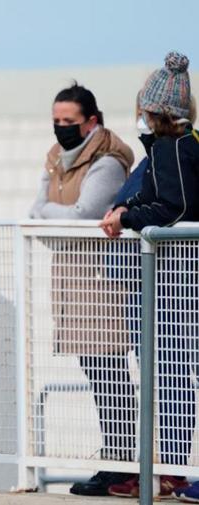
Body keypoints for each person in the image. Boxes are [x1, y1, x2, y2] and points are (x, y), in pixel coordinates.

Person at [29, 82, 138, 496]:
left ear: (92, 121)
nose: (61, 130)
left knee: (109, 374)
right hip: (71, 282)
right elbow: (36, 212)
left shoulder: (108, 161)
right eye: (56, 122)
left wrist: (51, 215)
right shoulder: (56, 158)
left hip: (103, 281)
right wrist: (55, 217)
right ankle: (115, 459)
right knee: (96, 373)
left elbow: (86, 214)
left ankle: (121, 462)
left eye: (69, 122)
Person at [100, 51, 198, 501]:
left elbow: (174, 207)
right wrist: (130, 210)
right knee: (174, 371)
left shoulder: (174, 148)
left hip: (180, 276)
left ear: (154, 112)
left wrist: (128, 216)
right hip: (176, 274)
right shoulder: (185, 143)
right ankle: (171, 468)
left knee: (175, 371)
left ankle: (173, 468)